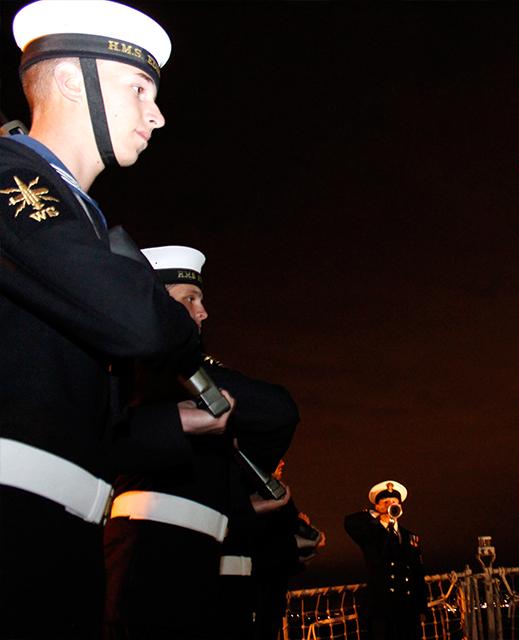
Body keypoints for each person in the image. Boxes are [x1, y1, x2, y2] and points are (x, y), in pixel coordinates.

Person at [0, 3, 224, 638]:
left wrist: (174, 421)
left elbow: (64, 407)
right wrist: (175, 328)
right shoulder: (11, 175)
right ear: (74, 81)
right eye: (138, 89)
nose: (156, 115)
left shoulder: (79, 214)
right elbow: (140, 322)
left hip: (60, 532)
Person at [103, 245, 304, 640]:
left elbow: (276, 413)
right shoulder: (129, 362)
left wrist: (241, 499)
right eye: (189, 299)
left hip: (199, 556)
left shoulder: (182, 373)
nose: (203, 312)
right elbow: (97, 434)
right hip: (149, 553)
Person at [344, 481, 428, 640]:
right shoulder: (370, 533)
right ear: (377, 505)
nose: (391, 505)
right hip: (381, 610)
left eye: (395, 502)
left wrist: (422, 609)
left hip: (408, 608)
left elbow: (418, 574)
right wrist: (374, 512)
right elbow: (349, 523)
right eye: (386, 502)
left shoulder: (411, 537)